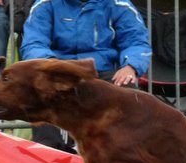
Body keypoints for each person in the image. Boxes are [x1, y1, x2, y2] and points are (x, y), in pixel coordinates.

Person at [20, 0, 152, 152]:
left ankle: (124, 153)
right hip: (60, 69)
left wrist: (131, 66)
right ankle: (48, 153)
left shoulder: (118, 4)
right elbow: (33, 43)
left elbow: (137, 41)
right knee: (41, 90)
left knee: (127, 90)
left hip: (102, 71)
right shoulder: (45, 4)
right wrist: (51, 65)